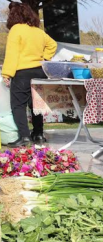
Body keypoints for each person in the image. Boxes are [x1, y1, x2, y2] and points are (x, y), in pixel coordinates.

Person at [1, 3, 57, 147]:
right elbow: (53, 45)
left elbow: (12, 53)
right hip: (40, 71)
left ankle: (24, 137)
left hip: (22, 72)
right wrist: (44, 59)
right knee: (36, 105)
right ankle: (38, 134)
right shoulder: (38, 31)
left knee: (18, 105)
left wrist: (6, 73)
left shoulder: (16, 29)